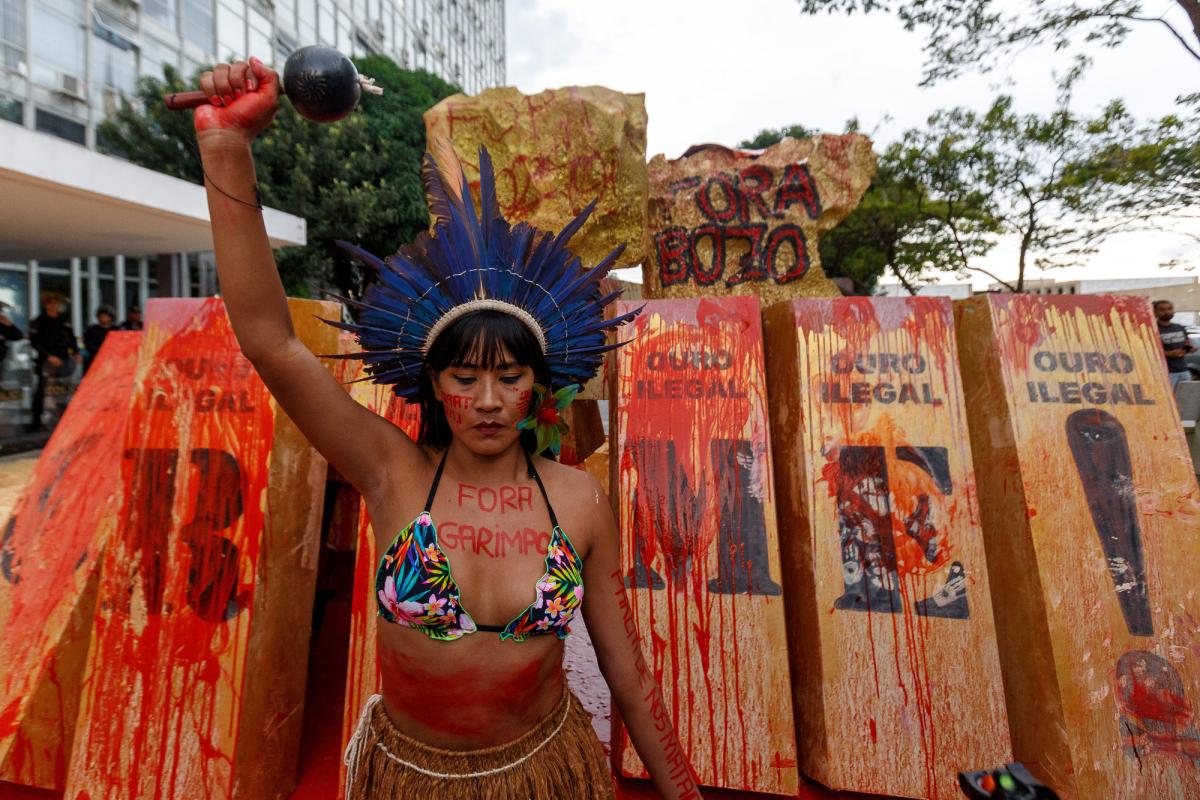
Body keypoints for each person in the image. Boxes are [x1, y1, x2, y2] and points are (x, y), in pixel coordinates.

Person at [195, 57, 702, 800]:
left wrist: (684, 793)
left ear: (539, 386)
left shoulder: (579, 500)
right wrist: (225, 147)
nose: (489, 400)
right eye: (465, 378)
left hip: (545, 773)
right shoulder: (389, 471)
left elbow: (626, 670)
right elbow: (271, 341)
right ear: (435, 385)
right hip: (412, 778)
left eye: (510, 376)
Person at [28, 294, 79, 431]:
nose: (55, 306)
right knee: (43, 390)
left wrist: (76, 352)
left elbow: (71, 338)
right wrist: (48, 356)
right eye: (52, 303)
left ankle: (63, 418)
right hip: (46, 360)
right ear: (46, 305)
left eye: (57, 303)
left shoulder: (63, 320)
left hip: (63, 358)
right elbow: (35, 342)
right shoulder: (39, 321)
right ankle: (37, 421)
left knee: (64, 389)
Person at [1155, 300, 1195, 389]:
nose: (1166, 312)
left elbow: (1187, 343)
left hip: (1184, 370)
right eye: (1162, 309)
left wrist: (1190, 348)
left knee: (1185, 396)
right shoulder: (1152, 329)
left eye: (1169, 309)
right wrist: (1169, 353)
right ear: (1155, 312)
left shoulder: (1179, 327)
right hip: (1165, 372)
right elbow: (1148, 352)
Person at [82, 304, 116, 372]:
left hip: (112, 359)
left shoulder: (115, 330)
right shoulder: (92, 330)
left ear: (110, 317)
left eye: (106, 316)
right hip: (95, 358)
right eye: (101, 316)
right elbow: (89, 345)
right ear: (98, 317)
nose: (104, 317)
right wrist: (100, 354)